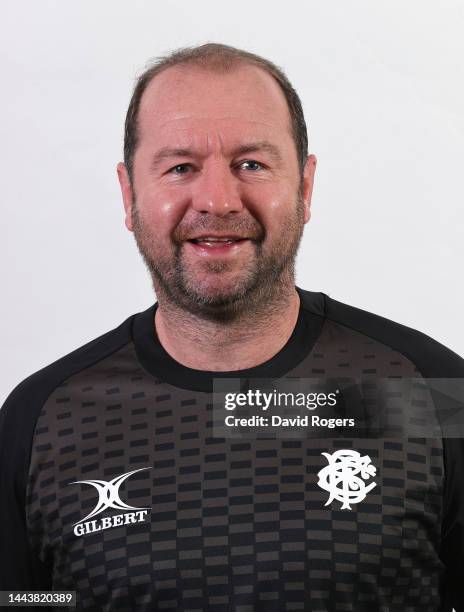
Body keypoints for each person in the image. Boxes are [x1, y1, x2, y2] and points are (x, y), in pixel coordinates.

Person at [0, 42, 463, 611]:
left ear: (305, 186)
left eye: (251, 164)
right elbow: (20, 602)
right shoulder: (39, 421)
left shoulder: (433, 393)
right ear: (129, 194)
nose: (217, 199)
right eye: (180, 168)